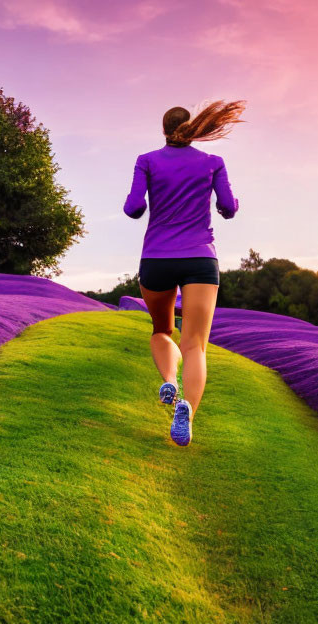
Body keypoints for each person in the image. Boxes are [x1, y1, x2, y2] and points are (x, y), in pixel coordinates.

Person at [122, 101, 245, 446]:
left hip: (157, 258)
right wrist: (225, 206)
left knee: (162, 329)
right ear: (192, 129)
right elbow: (229, 208)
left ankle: (170, 384)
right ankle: (186, 409)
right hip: (200, 260)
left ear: (163, 130)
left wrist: (145, 202)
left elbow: (133, 208)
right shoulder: (212, 163)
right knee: (195, 345)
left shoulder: (146, 160)